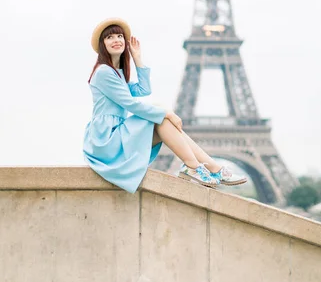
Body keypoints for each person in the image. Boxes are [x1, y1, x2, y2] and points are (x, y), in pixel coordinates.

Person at [83, 17, 247, 193]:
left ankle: (206, 167)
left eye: (119, 36)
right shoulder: (104, 73)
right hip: (107, 139)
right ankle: (201, 167)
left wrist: (138, 59)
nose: (116, 40)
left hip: (118, 134)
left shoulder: (118, 74)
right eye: (109, 38)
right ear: (102, 45)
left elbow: (143, 89)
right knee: (162, 116)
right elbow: (130, 104)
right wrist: (166, 113)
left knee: (163, 118)